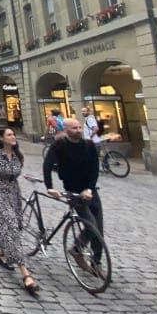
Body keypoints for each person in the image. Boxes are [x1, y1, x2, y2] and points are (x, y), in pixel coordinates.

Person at [0, 126, 39, 295]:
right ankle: (25, 273)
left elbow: (17, 170)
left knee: (15, 224)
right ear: (0, 138)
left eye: (13, 134)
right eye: (9, 134)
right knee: (10, 226)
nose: (13, 137)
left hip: (14, 191)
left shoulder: (18, 154)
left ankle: (2, 252)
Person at [43, 117, 104, 276]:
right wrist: (49, 187)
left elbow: (94, 168)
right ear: (66, 130)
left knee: (99, 229)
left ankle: (96, 263)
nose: (78, 130)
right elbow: (47, 165)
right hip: (73, 191)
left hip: (90, 190)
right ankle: (77, 249)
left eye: (79, 127)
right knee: (91, 224)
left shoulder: (88, 145)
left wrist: (90, 188)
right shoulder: (60, 145)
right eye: (74, 128)